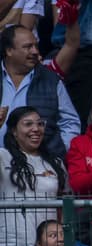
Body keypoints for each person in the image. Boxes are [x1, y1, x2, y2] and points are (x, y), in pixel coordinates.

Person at [0, 26, 79, 158]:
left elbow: (70, 122)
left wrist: (58, 154)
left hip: (41, 167)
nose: (35, 51)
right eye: (28, 47)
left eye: (36, 45)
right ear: (9, 51)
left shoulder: (51, 80)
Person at [1, 107, 66, 246]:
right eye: (28, 124)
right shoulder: (3, 157)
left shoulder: (55, 163)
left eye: (40, 124)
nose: (36, 129)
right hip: (10, 244)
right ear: (14, 131)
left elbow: (66, 202)